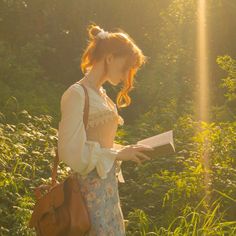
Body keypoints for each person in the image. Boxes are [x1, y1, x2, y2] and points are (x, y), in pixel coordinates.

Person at [57, 23, 154, 236]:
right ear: (110, 57)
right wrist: (118, 153)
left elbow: (102, 145)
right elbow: (69, 152)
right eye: (126, 65)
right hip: (87, 194)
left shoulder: (103, 97)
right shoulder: (77, 93)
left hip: (107, 190)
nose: (127, 73)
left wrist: (127, 149)